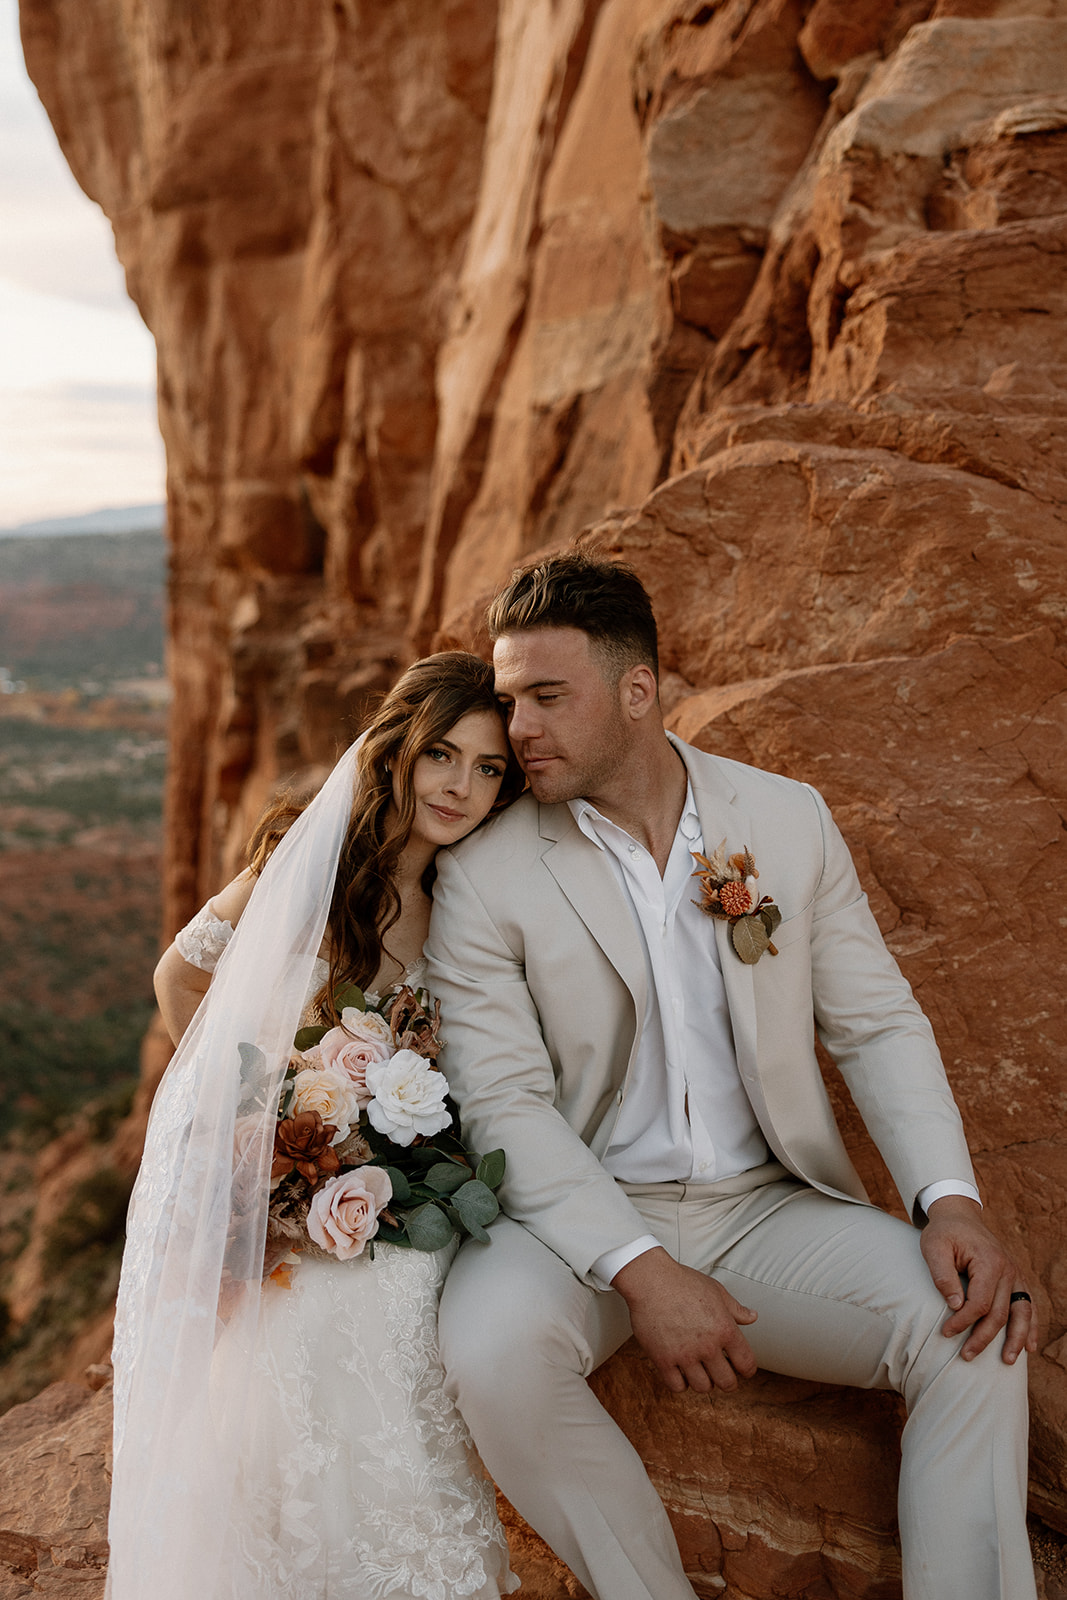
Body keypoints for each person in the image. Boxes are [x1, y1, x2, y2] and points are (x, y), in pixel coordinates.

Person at [424, 552, 1039, 1600]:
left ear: (637, 689)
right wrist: (642, 1269)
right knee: (488, 1352)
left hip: (765, 1211)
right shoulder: (485, 874)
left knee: (975, 1331)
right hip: (569, 1224)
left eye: (544, 696)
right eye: (507, 698)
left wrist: (950, 1199)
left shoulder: (785, 820)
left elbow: (875, 1022)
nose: (515, 727)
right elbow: (502, 1103)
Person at [106, 652, 524, 1600]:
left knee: (401, 1293)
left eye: (488, 768)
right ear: (399, 753)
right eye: (442, 757)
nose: (460, 786)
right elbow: (178, 978)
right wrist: (256, 1123)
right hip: (299, 1180)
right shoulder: (313, 859)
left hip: (402, 1187)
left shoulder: (475, 891)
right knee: (313, 1317)